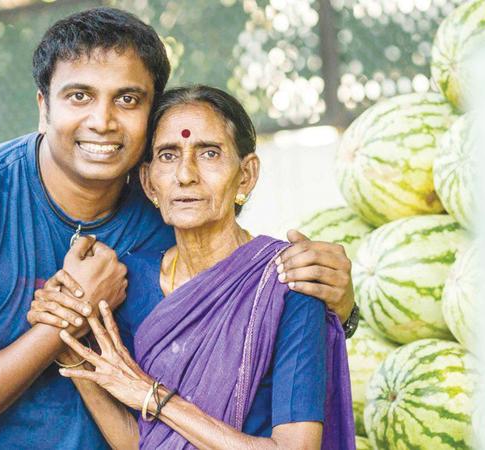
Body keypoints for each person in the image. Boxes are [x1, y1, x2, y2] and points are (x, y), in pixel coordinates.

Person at [0, 7, 357, 449]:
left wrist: (337, 306)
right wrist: (72, 318)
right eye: (79, 96)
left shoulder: (166, 205)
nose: (103, 121)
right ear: (43, 106)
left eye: (127, 99)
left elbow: (242, 310)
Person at [30, 85, 355, 449]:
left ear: (245, 176)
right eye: (168, 156)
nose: (186, 174)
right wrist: (76, 361)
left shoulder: (286, 282)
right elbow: (145, 443)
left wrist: (154, 397)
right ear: (149, 182)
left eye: (209, 153)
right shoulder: (128, 283)